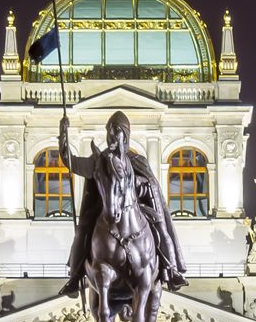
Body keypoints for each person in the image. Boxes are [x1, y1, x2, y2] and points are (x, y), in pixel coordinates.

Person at [58, 111, 186, 298]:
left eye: (116, 130)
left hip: (135, 209)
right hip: (104, 209)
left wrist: (141, 187)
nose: (112, 134)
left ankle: (171, 269)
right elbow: (71, 163)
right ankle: (74, 277)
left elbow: (151, 186)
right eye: (109, 130)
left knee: (161, 225)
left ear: (125, 135)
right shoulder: (98, 160)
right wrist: (63, 134)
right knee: (83, 228)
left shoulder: (137, 161)